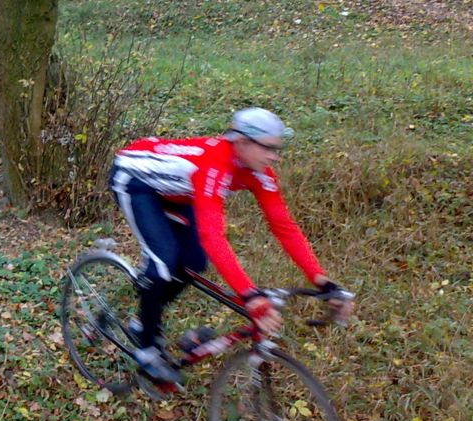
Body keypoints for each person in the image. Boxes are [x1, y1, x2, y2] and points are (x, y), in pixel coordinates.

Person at [109, 107, 353, 385]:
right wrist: (250, 296)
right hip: (135, 179)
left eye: (277, 149)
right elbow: (213, 237)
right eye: (268, 148)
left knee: (194, 263)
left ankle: (145, 317)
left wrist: (322, 280)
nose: (274, 156)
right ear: (243, 142)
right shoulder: (215, 164)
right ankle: (147, 348)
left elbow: (284, 226)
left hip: (177, 193)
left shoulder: (259, 172)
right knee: (163, 262)